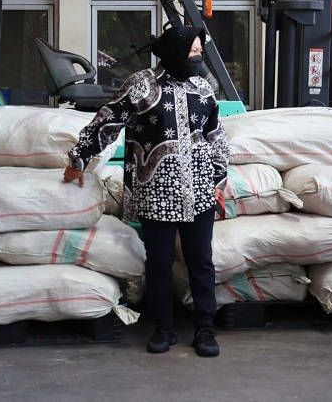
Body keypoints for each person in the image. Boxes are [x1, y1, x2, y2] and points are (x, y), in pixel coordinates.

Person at [63, 25, 229, 357]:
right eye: (193, 52)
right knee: (159, 263)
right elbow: (107, 121)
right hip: (155, 191)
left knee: (201, 262)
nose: (198, 58)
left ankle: (205, 329)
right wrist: (79, 158)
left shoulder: (203, 88)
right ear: (175, 51)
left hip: (198, 191)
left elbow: (216, 136)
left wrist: (219, 179)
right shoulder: (141, 84)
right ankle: (164, 328)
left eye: (199, 53)